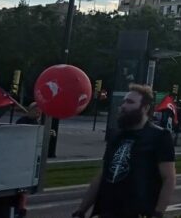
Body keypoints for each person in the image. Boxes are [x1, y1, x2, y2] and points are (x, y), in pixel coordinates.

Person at [72, 84, 175, 218]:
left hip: (138, 212)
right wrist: (82, 209)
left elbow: (169, 178)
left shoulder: (159, 136)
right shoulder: (116, 136)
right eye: (124, 102)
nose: (124, 106)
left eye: (130, 102)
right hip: (107, 211)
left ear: (145, 108)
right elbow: (103, 175)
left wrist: (158, 212)